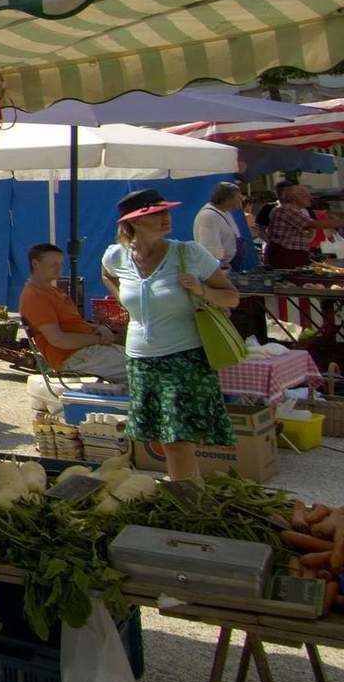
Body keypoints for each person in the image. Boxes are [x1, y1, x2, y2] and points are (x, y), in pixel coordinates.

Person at [100, 189, 240, 482]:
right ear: (133, 222)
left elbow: (231, 297)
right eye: (156, 214)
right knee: (161, 440)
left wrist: (201, 290)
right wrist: (131, 307)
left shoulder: (188, 253)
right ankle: (188, 496)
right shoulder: (117, 256)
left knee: (177, 442)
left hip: (184, 357)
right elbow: (107, 275)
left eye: (166, 211)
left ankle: (190, 503)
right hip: (141, 360)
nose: (166, 218)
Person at [19, 244, 127, 381]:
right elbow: (59, 340)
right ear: (36, 264)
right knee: (142, 369)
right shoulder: (35, 297)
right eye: (53, 264)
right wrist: (98, 339)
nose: (59, 268)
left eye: (61, 263)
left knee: (147, 361)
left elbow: (73, 324)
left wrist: (98, 328)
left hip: (86, 352)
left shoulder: (54, 292)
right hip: (74, 357)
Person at [265, 182, 338, 269]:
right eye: (305, 195)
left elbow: (310, 228)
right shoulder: (286, 210)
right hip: (286, 256)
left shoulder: (295, 211)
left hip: (293, 254)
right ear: (294, 197)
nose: (310, 198)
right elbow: (314, 224)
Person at [192, 182, 249, 273]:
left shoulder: (225, 212)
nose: (241, 200)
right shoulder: (208, 216)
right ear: (226, 198)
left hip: (233, 267)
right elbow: (211, 252)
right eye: (238, 198)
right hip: (220, 271)